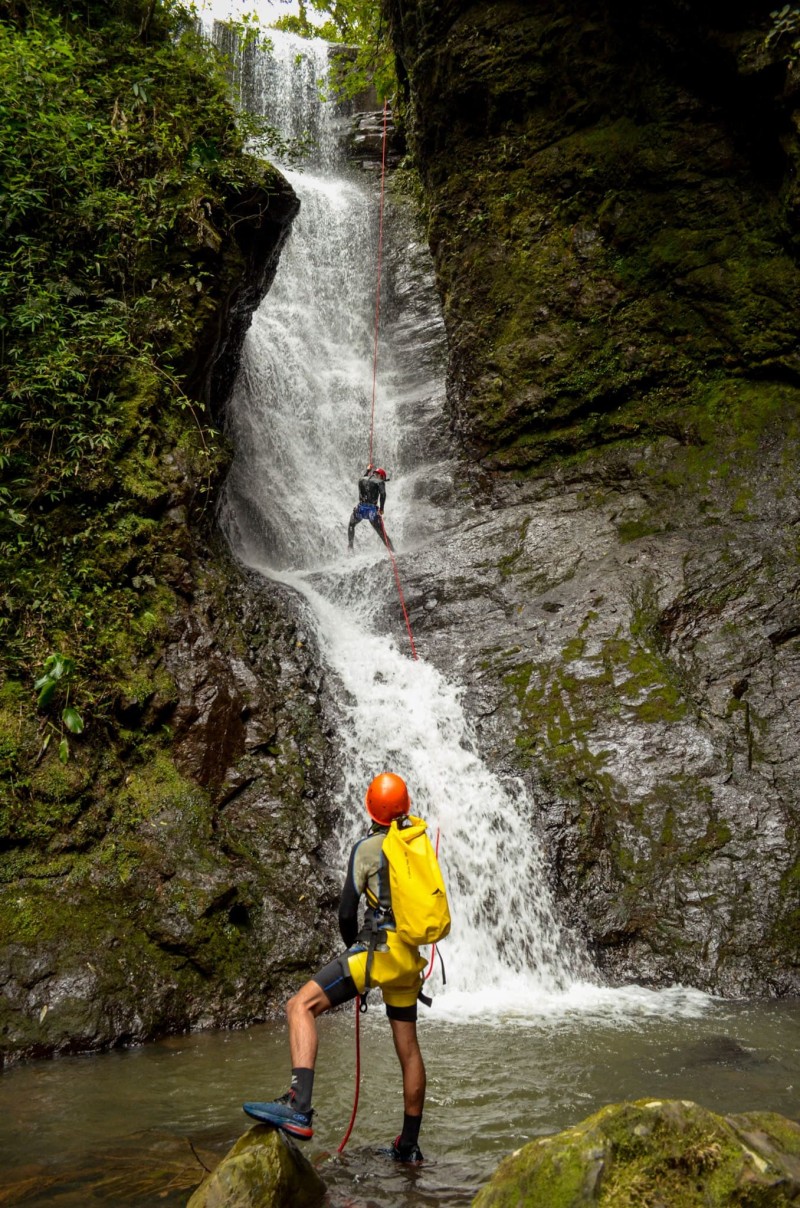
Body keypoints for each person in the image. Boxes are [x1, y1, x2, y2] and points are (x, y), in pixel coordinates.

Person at [243, 772, 427, 1164]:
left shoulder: (367, 848)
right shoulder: (418, 844)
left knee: (300, 1006)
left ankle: (299, 1106)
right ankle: (408, 1146)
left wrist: (353, 954)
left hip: (376, 952)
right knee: (408, 1050)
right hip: (409, 960)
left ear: (371, 809)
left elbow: (347, 913)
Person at [347, 464, 394, 552]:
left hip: (360, 509)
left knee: (351, 525)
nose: (382, 479)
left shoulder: (361, 479)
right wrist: (381, 509)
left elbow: (366, 481)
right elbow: (383, 495)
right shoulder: (380, 482)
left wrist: (368, 470)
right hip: (372, 511)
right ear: (380, 475)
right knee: (382, 533)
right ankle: (392, 551)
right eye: (382, 477)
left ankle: (350, 547)